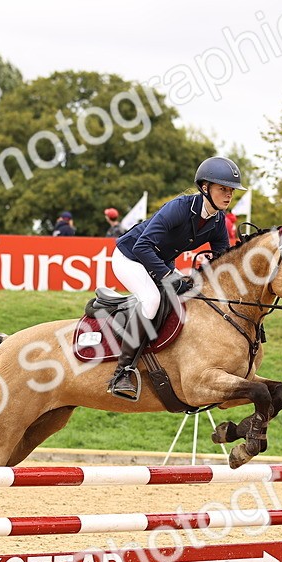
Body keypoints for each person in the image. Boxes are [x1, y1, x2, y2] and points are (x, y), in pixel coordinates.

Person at [107, 156, 241, 400]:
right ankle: (122, 372)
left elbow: (221, 261)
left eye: (231, 190)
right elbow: (142, 246)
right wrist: (169, 275)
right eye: (223, 188)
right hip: (129, 257)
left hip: (159, 261)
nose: (228, 195)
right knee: (151, 300)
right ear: (205, 187)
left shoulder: (219, 220)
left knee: (193, 295)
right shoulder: (179, 207)